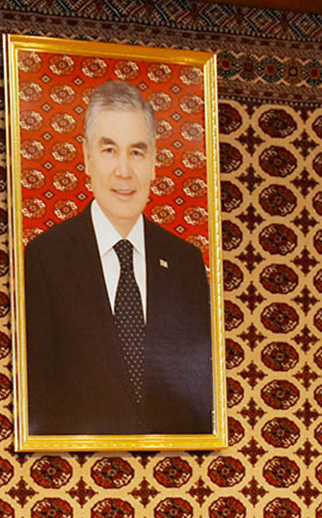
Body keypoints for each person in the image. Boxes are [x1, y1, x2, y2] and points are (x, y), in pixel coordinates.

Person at [23, 80, 214, 436]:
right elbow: (38, 400)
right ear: (87, 157)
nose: (124, 171)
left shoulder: (185, 262)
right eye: (110, 150)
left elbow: (200, 399)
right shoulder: (45, 258)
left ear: (154, 161)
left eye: (137, 152)